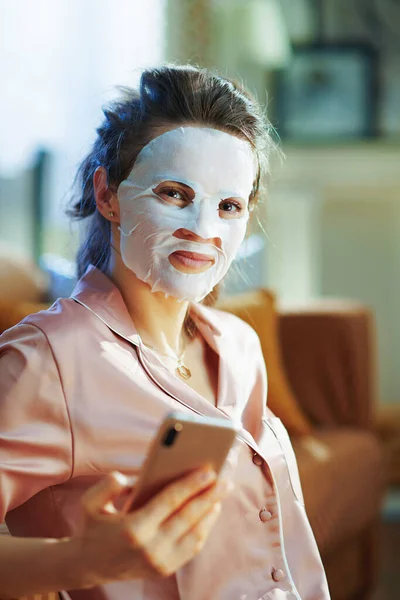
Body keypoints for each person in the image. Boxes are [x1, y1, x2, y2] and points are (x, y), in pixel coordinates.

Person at [0, 65, 330, 600]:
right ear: (107, 194)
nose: (203, 229)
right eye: (175, 194)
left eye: (229, 206)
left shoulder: (239, 345)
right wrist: (76, 561)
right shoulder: (45, 363)